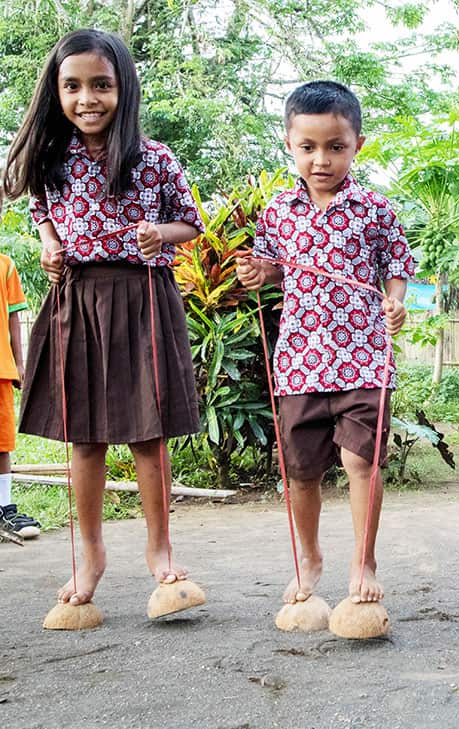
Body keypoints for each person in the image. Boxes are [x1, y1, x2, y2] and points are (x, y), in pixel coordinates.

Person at [2, 29, 204, 605]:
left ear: (124, 89)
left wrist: (157, 233)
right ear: (56, 91)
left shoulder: (155, 156)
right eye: (72, 86)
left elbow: (191, 223)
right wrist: (47, 242)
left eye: (101, 85)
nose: (86, 97)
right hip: (77, 300)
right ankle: (91, 554)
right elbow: (43, 212)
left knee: (148, 435)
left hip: (142, 297)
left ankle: (159, 549)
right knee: (84, 439)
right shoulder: (48, 159)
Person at [237, 81, 413, 608]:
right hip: (299, 365)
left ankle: (364, 561)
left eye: (336, 146)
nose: (322, 159)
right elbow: (269, 270)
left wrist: (396, 300)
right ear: (288, 144)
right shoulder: (277, 211)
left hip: (364, 360)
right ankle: (310, 556)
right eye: (308, 147)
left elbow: (398, 265)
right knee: (302, 471)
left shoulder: (376, 211)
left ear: (357, 143)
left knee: (362, 463)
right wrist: (256, 271)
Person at [0, 253, 40, 540]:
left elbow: (14, 314)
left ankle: (4, 508)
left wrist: (19, 362)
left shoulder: (5, 264)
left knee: (2, 443)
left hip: (0, 367)